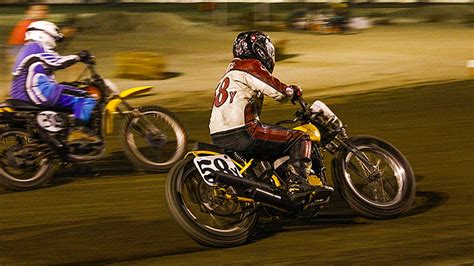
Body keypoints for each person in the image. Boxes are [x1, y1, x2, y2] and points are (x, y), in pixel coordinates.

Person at [209, 31, 333, 202]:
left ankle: (276, 187)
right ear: (259, 49)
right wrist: (291, 91)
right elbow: (276, 90)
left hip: (219, 135)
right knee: (300, 138)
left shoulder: (229, 74)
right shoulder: (249, 65)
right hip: (244, 132)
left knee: (274, 145)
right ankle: (297, 183)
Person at [9, 20, 99, 144]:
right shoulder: (36, 47)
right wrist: (79, 57)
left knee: (66, 90)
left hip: (24, 93)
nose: (55, 43)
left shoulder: (27, 48)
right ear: (43, 34)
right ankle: (78, 131)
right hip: (37, 93)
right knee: (86, 97)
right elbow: (57, 62)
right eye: (54, 38)